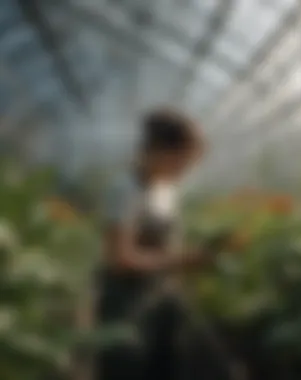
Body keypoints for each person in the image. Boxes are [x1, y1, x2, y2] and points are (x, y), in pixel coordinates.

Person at [91, 108, 210, 380]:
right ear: (158, 151)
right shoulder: (126, 190)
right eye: (182, 160)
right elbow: (120, 259)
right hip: (126, 305)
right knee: (127, 368)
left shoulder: (166, 190)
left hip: (161, 299)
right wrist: (182, 260)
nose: (186, 168)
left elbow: (167, 247)